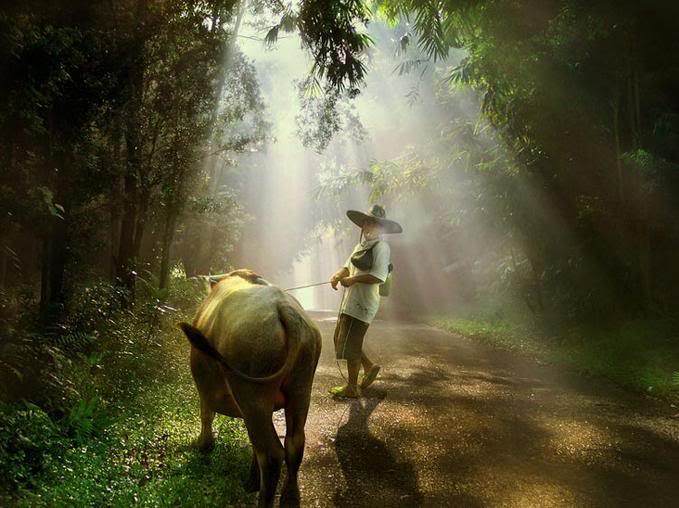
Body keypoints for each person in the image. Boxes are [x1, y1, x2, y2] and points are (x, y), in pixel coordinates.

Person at [328, 204, 403, 398]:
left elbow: (379, 276)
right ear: (362, 225)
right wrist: (337, 276)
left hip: (364, 303)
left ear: (381, 228)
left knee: (350, 343)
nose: (369, 226)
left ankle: (352, 387)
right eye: (367, 222)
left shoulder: (382, 247)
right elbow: (347, 267)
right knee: (340, 339)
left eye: (374, 223)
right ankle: (369, 366)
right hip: (350, 301)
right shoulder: (359, 246)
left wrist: (354, 279)